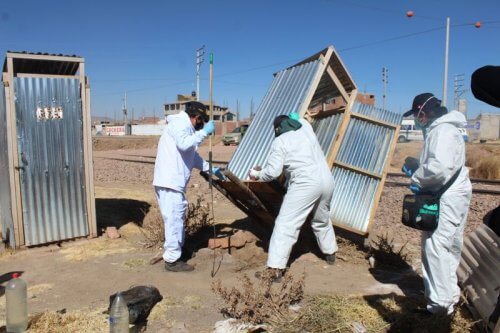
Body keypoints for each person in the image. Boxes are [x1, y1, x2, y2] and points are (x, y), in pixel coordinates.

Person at [402, 93, 472, 315]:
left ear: (423, 112)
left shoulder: (441, 131)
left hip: (447, 197)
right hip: (456, 194)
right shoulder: (448, 129)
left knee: (435, 247)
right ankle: (449, 297)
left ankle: (439, 307)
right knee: (450, 246)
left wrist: (416, 178)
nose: (416, 119)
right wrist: (420, 166)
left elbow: (439, 168)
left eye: (416, 114)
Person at [249, 114, 337, 281]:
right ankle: (330, 253)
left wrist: (257, 173)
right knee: (321, 219)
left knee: (286, 225)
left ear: (277, 129)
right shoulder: (306, 129)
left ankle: (274, 269)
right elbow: (302, 120)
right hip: (327, 180)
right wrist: (299, 118)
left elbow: (273, 172)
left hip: (305, 183)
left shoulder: (280, 141)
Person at [153, 101, 221, 272]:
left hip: (173, 183)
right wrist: (204, 133)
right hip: (170, 182)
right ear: (196, 117)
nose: (201, 126)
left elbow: (192, 156)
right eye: (201, 122)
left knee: (177, 218)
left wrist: (211, 169)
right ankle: (172, 260)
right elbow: (184, 144)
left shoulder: (186, 128)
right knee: (174, 220)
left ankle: (177, 252)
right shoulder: (179, 124)